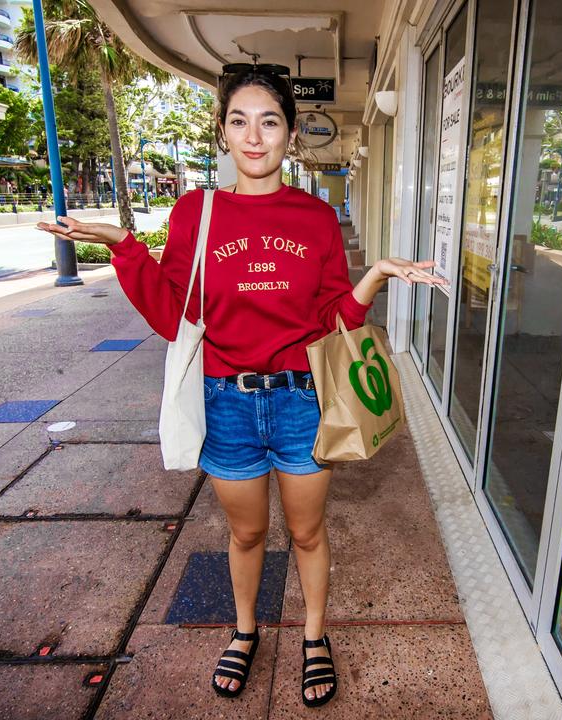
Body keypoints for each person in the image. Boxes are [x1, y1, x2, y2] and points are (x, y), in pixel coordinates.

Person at [37, 63, 445, 707]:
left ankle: (313, 637)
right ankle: (246, 629)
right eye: (239, 121)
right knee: (247, 534)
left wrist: (378, 276)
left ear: (289, 134)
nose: (254, 137)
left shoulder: (314, 216)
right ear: (223, 133)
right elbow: (177, 315)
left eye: (270, 122)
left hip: (303, 402)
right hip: (226, 403)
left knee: (308, 533)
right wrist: (123, 244)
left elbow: (334, 319)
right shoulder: (196, 212)